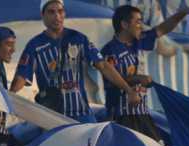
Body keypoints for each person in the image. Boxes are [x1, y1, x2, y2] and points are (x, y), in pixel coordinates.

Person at [11, 0, 141, 122]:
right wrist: (7, 98)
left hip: (82, 114)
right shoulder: (35, 45)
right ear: (42, 15)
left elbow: (103, 65)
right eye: (51, 12)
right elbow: (21, 77)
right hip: (52, 118)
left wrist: (129, 90)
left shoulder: (78, 38)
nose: (57, 16)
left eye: (60, 11)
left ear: (64, 14)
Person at [101, 4, 189, 138]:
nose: (141, 26)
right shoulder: (109, 51)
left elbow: (162, 29)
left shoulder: (140, 41)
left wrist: (184, 12)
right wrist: (137, 79)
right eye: (138, 22)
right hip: (120, 116)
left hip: (142, 113)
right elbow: (111, 81)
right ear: (125, 25)